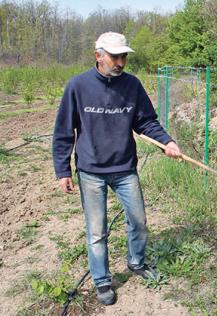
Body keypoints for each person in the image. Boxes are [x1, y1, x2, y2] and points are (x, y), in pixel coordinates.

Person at [52, 31, 181, 305]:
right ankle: (102, 280)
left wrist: (167, 142)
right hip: (91, 170)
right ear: (98, 55)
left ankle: (136, 262)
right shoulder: (77, 86)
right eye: (115, 56)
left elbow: (146, 122)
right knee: (97, 231)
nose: (120, 62)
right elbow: (64, 131)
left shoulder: (132, 86)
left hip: (124, 168)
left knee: (139, 221)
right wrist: (62, 170)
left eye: (123, 56)